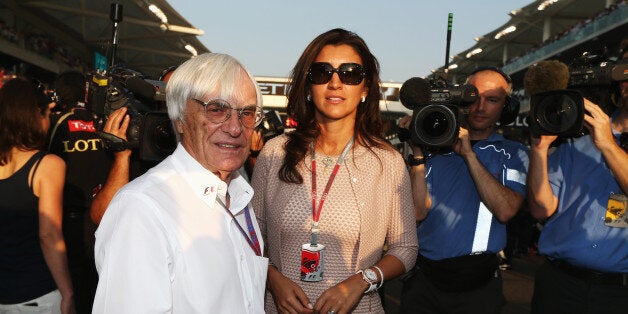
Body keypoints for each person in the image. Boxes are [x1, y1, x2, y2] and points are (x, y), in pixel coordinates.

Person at [251, 28, 418, 314]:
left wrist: (362, 281)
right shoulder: (275, 152)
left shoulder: (387, 162)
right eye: (322, 72)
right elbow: (249, 238)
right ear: (307, 85)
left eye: (351, 73)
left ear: (365, 88)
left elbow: (405, 248)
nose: (335, 83)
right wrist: (272, 279)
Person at [92, 52, 268, 313]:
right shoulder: (142, 209)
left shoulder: (240, 197)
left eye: (247, 112)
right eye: (217, 109)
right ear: (181, 119)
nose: (235, 128)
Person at [399, 67, 529, 313]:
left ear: (506, 107)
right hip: (423, 280)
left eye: (492, 100)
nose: (480, 107)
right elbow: (416, 213)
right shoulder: (428, 146)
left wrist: (468, 153)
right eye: (473, 97)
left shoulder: (513, 152)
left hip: (478, 284)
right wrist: (416, 153)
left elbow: (506, 210)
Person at [527, 76, 628, 312]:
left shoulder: (599, 140)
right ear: (621, 86)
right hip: (559, 284)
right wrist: (539, 150)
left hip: (620, 293)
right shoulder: (575, 139)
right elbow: (541, 209)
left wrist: (608, 145)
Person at [0, 77, 75, 314]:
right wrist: (68, 293)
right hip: (38, 295)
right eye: (46, 114)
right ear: (34, 116)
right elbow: (49, 234)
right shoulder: (48, 165)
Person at [46, 70, 112, 313]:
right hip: (101, 215)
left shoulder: (56, 125)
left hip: (68, 218)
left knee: (74, 282)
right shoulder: (101, 123)